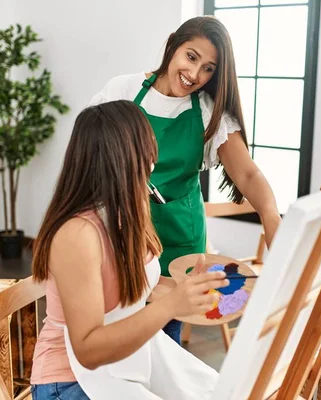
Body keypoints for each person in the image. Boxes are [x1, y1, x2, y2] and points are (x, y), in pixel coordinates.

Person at [89, 16, 282, 344]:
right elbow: (88, 156)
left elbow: (248, 174)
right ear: (172, 45)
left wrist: (272, 217)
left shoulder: (208, 111)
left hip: (179, 242)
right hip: (123, 232)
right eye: (191, 57)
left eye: (208, 68)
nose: (195, 74)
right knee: (120, 335)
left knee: (165, 341)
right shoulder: (122, 91)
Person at [29, 100, 228, 399]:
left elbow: (139, 289)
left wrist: (190, 289)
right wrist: (172, 305)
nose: (154, 156)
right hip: (68, 381)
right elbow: (87, 350)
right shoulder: (77, 234)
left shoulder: (126, 212)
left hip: (122, 364)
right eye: (147, 144)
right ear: (121, 156)